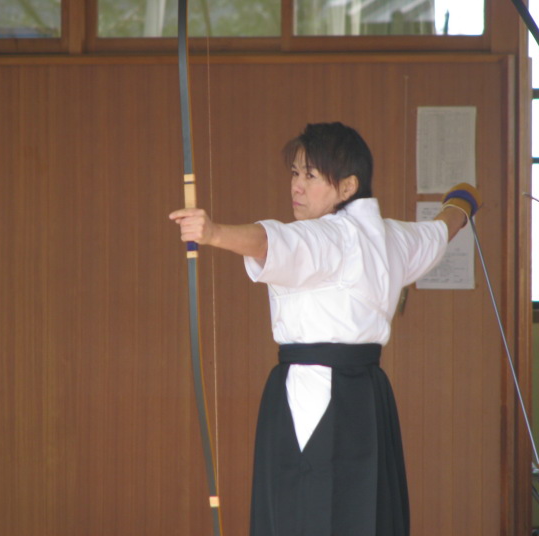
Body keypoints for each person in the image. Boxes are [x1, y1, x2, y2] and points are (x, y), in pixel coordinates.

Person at [169, 122, 481, 536]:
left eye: (311, 175)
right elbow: (441, 231)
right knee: (364, 510)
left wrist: (214, 233)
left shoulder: (328, 236)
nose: (297, 186)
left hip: (315, 394)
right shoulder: (393, 237)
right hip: (368, 394)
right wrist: (463, 202)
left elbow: (269, 241)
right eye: (295, 173)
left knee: (307, 510)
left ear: (348, 186)